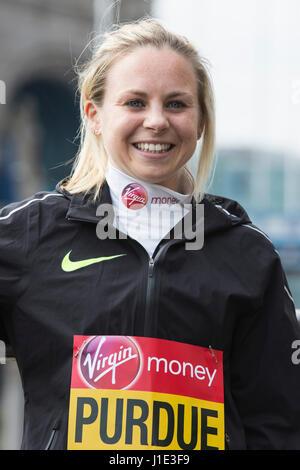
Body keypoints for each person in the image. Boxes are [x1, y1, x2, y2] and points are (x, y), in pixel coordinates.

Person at [0, 17, 300, 451]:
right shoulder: (31, 235)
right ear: (95, 115)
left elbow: (279, 422)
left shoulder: (247, 253)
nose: (156, 121)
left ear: (200, 122)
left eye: (177, 104)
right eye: (135, 102)